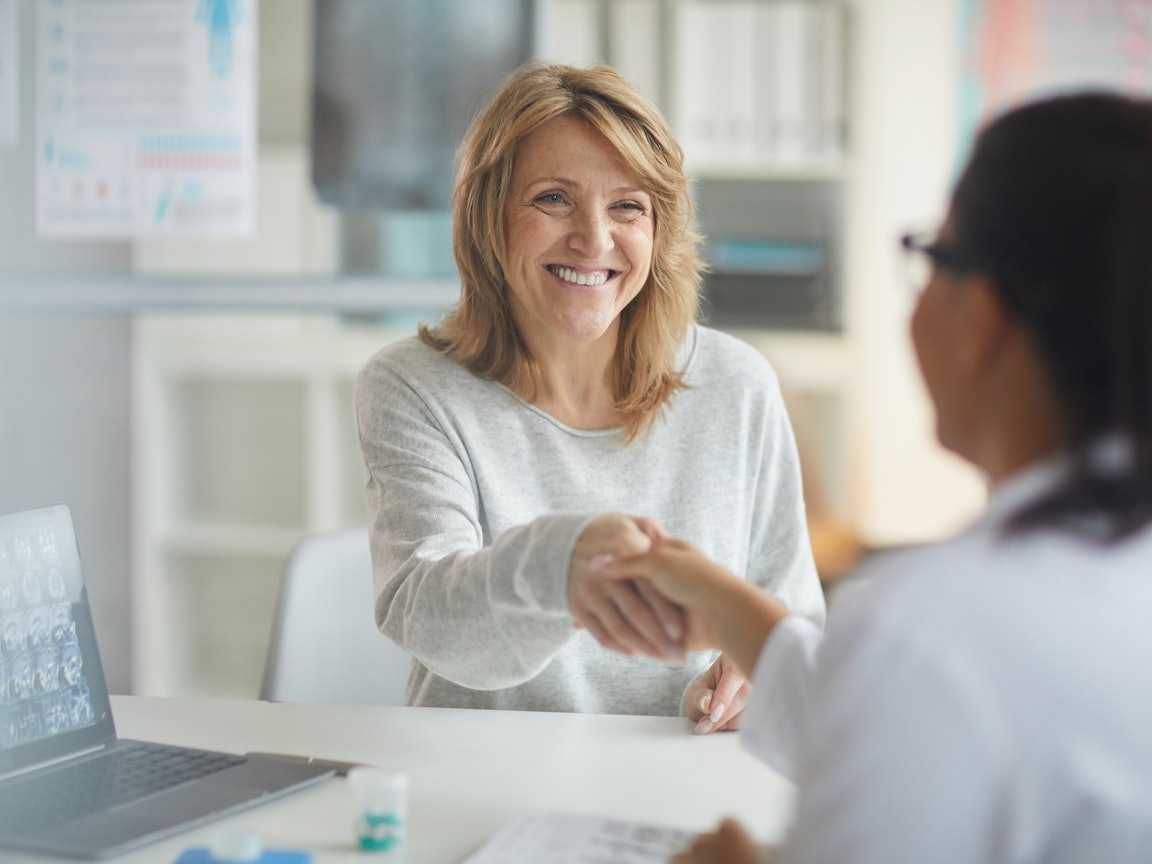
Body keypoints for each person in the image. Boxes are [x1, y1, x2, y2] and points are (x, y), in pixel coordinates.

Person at [603, 91, 1152, 862]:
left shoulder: (931, 628)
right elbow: (912, 715)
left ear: (983, 319)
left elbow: (922, 692)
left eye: (933, 256)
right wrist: (725, 605)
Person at [353, 61, 825, 723]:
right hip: (486, 783)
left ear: (658, 231)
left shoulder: (737, 385)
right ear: (490, 217)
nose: (594, 239)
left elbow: (793, 620)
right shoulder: (412, 386)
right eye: (553, 198)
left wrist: (754, 669)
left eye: (627, 206)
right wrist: (562, 568)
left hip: (682, 784)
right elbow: (429, 617)